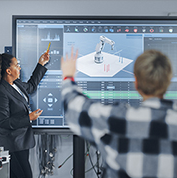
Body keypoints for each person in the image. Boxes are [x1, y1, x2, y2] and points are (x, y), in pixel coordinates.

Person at [61, 48, 177, 178]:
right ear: (168, 80)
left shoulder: (117, 119)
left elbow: (73, 107)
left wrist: (68, 75)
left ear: (136, 81)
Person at [0, 52, 49, 178]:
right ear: (8, 71)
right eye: (17, 65)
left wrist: (41, 64)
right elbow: (2, 122)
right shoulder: (2, 91)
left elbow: (31, 86)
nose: (19, 67)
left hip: (22, 142)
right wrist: (28, 118)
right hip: (13, 144)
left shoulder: (15, 84)